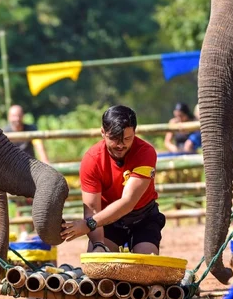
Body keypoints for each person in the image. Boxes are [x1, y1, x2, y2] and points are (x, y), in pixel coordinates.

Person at [61, 105, 166, 254]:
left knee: (145, 265)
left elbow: (128, 202)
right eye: (114, 139)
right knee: (98, 262)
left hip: (143, 217)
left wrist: (88, 224)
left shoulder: (146, 152)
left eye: (127, 139)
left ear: (135, 132)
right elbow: (92, 210)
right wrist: (98, 244)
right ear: (103, 132)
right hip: (106, 220)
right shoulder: (92, 160)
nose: (121, 145)